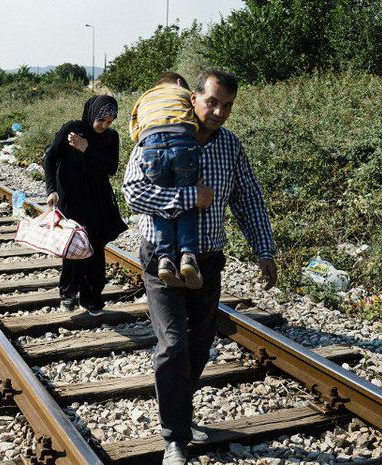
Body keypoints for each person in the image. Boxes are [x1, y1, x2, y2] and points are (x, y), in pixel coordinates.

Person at [122, 68, 277, 465]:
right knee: (173, 344)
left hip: (208, 260)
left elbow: (248, 199)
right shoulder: (159, 134)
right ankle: (175, 436)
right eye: (212, 102)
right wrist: (190, 196)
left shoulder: (230, 147)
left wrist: (264, 250)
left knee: (199, 345)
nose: (219, 112)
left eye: (227, 106)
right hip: (161, 258)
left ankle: (180, 410)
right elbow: (134, 194)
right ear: (194, 98)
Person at [43, 95, 127, 316]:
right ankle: (68, 293)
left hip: (98, 199)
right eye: (101, 120)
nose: (104, 126)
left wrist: (87, 149)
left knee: (96, 248)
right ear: (93, 115)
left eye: (109, 122)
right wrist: (51, 190)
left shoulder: (111, 138)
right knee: (74, 246)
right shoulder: (73, 129)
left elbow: (110, 168)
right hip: (70, 198)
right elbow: (50, 158)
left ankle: (92, 299)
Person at [129, 71, 202, 289]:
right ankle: (188, 256)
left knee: (160, 204)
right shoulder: (184, 92)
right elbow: (197, 116)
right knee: (188, 200)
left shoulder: (144, 98)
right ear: (180, 83)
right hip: (183, 143)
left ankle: (165, 259)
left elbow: (134, 131)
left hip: (151, 147)